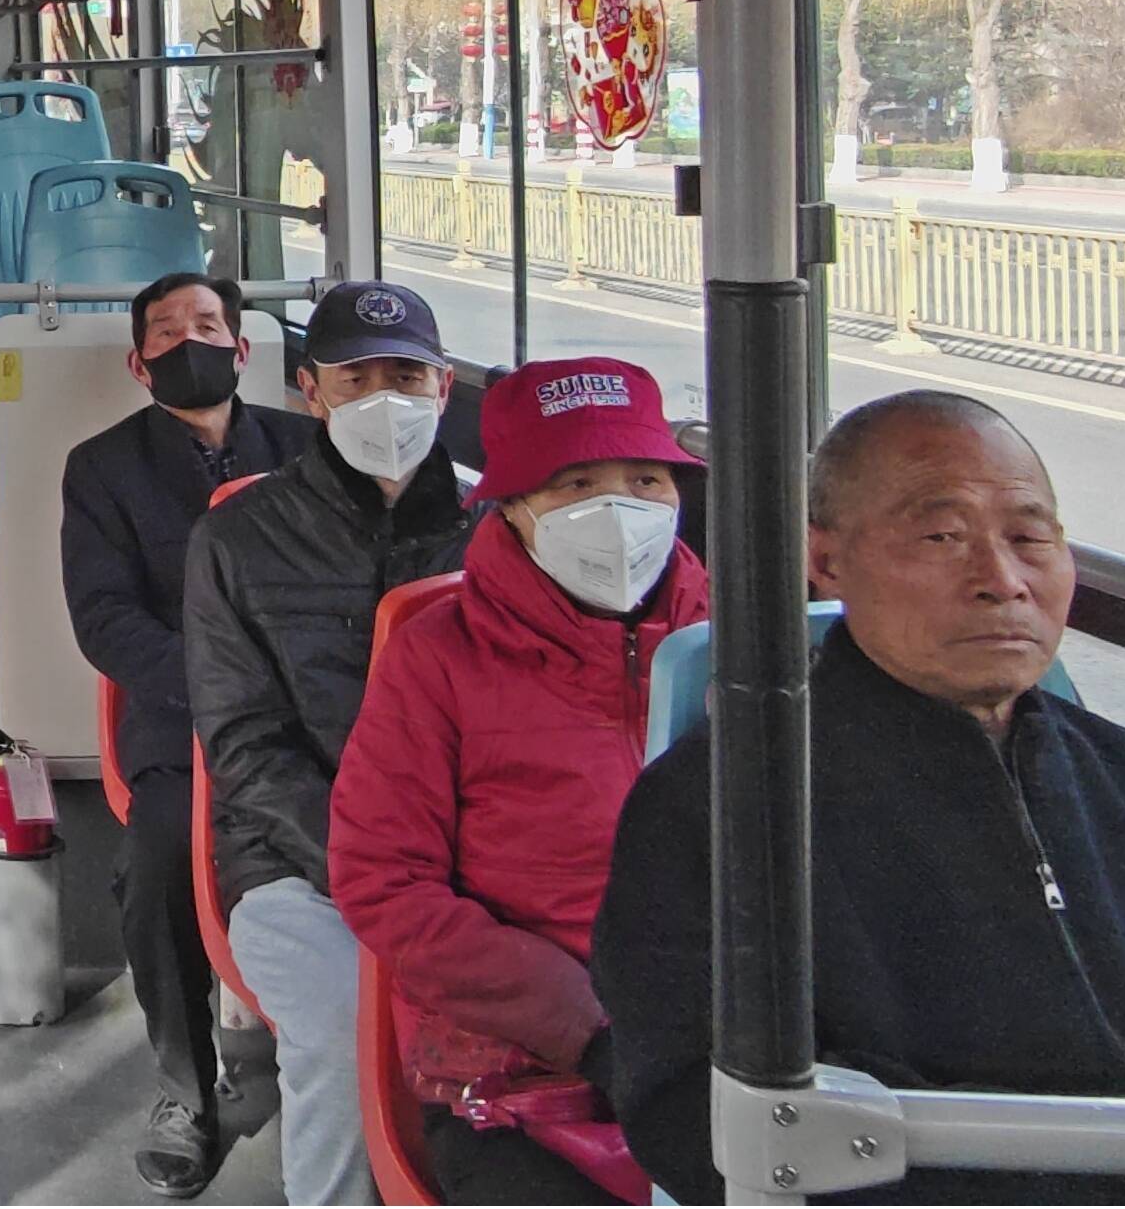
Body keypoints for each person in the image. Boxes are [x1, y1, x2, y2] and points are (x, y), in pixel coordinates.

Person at [593, 391, 1125, 1205]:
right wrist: (1097, 1199)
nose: (1000, 581)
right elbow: (692, 1110)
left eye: (1028, 538)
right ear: (825, 558)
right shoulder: (724, 807)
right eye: (940, 536)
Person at [330, 357, 712, 1206]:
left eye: (643, 480)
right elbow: (383, 882)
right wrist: (584, 1024)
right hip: (525, 1069)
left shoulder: (730, 644)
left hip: (722, 1039)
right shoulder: (437, 658)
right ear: (510, 507)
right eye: (575, 484)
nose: (616, 511)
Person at [185, 278, 475, 1206]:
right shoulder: (237, 539)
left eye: (407, 376)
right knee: (353, 1024)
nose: (385, 399)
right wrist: (377, 868)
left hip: (472, 849)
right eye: (357, 380)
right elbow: (245, 746)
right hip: (298, 865)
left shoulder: (497, 530)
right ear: (311, 391)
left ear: (443, 386)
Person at [62, 270, 308, 1197]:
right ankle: (184, 1087)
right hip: (184, 727)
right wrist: (221, 691)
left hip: (311, 717)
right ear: (139, 363)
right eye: (166, 332)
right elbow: (105, 618)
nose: (188, 341)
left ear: (240, 349)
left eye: (206, 325)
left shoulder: (306, 450)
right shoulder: (103, 467)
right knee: (158, 860)